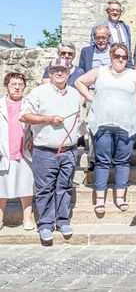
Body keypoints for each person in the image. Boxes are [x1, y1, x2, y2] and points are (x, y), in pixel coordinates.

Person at [75, 44, 136, 214]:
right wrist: (90, 97)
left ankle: (120, 197)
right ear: (111, 56)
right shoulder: (100, 71)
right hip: (102, 123)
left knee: (122, 161)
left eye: (124, 57)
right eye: (117, 56)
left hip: (127, 124)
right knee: (103, 161)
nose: (120, 59)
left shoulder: (133, 74)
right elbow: (79, 81)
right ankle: (100, 199)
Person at [20, 58, 83, 242]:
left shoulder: (74, 93)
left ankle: (63, 221)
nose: (59, 72)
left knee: (64, 187)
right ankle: (46, 225)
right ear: (49, 72)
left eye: (63, 69)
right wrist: (47, 119)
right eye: (55, 69)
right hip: (45, 151)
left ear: (69, 72)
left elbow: (78, 119)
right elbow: (24, 116)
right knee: (45, 189)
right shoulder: (39, 92)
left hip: (69, 151)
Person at [0, 72, 35, 231]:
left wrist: (33, 138)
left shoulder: (29, 104)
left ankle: (27, 218)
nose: (17, 87)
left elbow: (37, 125)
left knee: (26, 185)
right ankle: (0, 218)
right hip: (3, 151)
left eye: (20, 85)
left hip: (24, 151)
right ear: (7, 86)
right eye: (13, 84)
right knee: (1, 187)